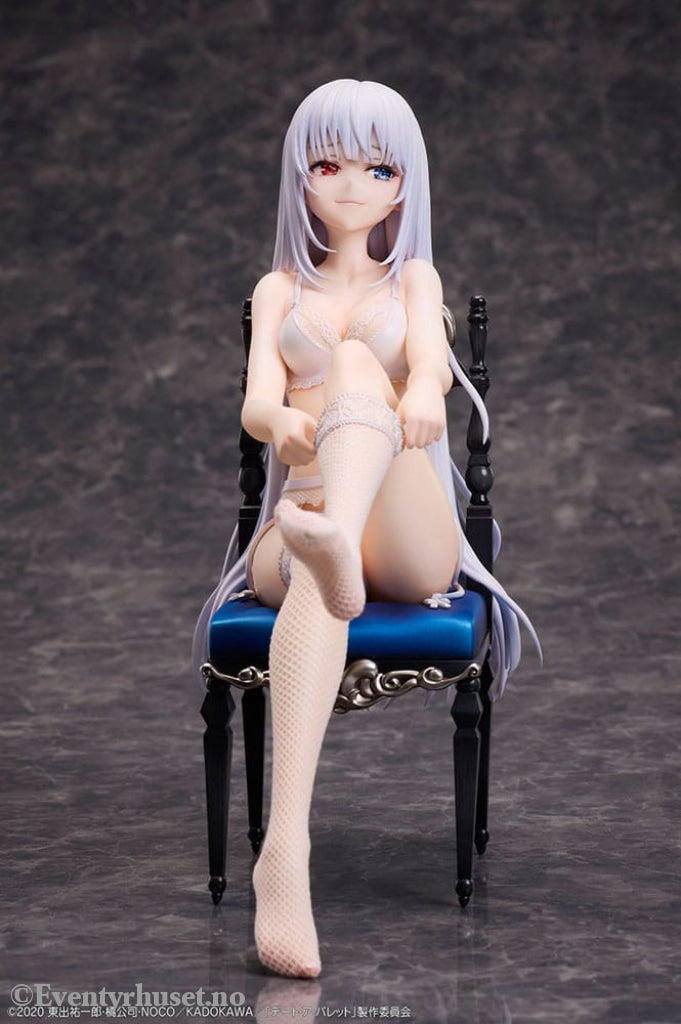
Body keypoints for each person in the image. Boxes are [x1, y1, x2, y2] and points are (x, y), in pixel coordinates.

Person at [193, 79, 539, 979]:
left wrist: (422, 389)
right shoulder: (278, 288)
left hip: (403, 525)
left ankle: (339, 539)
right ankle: (285, 854)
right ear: (300, 178)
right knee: (313, 567)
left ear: (403, 184)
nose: (352, 184)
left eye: (377, 167)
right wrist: (280, 421)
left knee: (352, 360)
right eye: (329, 164)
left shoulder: (412, 278)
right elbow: (257, 402)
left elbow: (427, 363)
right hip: (299, 520)